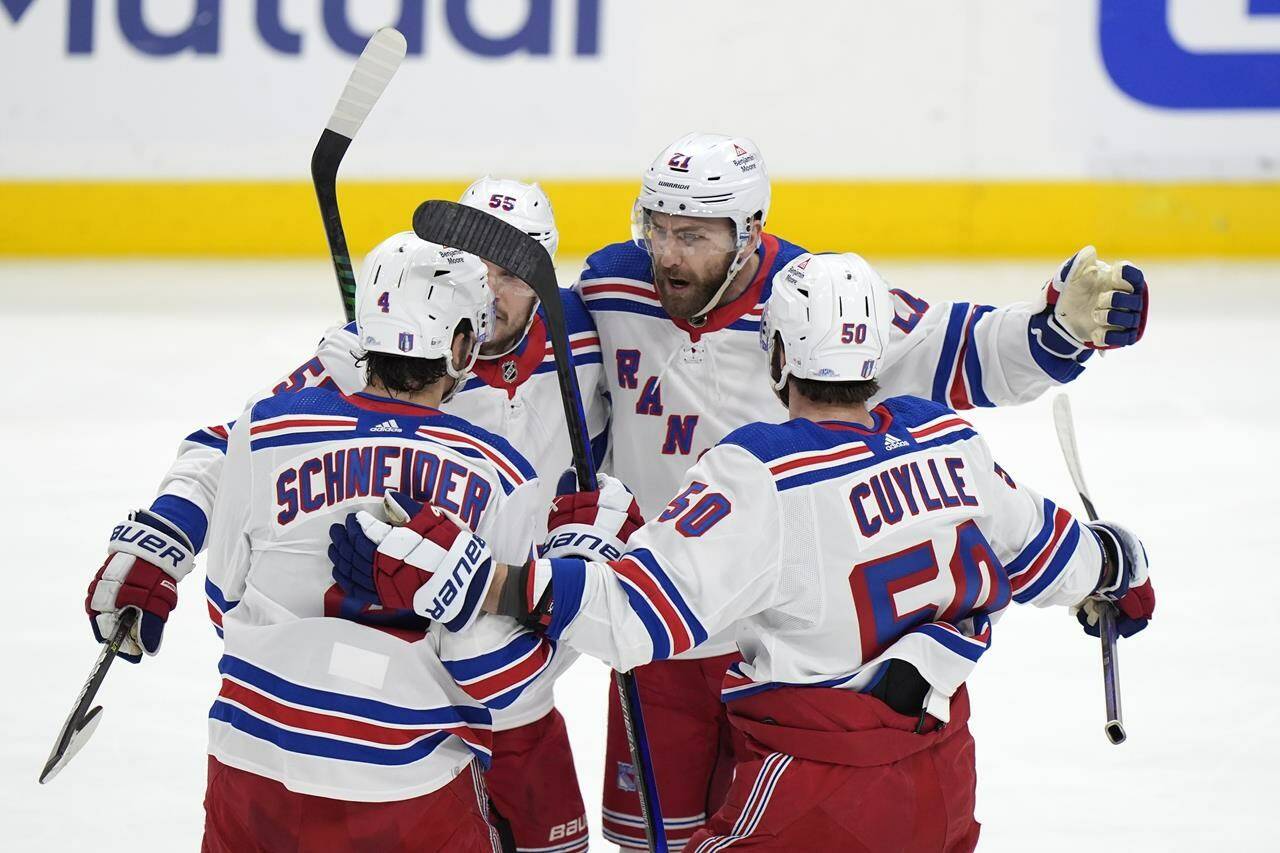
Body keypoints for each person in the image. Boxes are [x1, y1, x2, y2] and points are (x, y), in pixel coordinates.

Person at [343, 251, 1156, 851]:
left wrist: (485, 579)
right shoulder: (950, 442)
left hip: (816, 789)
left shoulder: (761, 472)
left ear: (775, 357)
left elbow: (630, 619)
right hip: (942, 775)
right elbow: (1055, 554)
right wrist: (1119, 569)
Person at [573, 132, 1151, 848]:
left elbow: (949, 345)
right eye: (655, 227)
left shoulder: (807, 304)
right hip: (664, 621)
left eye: (691, 234)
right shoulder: (608, 288)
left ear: (749, 231)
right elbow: (536, 378)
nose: (666, 254)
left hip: (782, 645)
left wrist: (1050, 334)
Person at [84, 179, 602, 853]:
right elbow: (223, 443)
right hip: (446, 700)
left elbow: (228, 594)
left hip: (478, 692)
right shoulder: (358, 366)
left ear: (544, 276)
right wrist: (165, 531)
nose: (490, 284)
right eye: (474, 265)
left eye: (509, 271)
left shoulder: (590, 342)